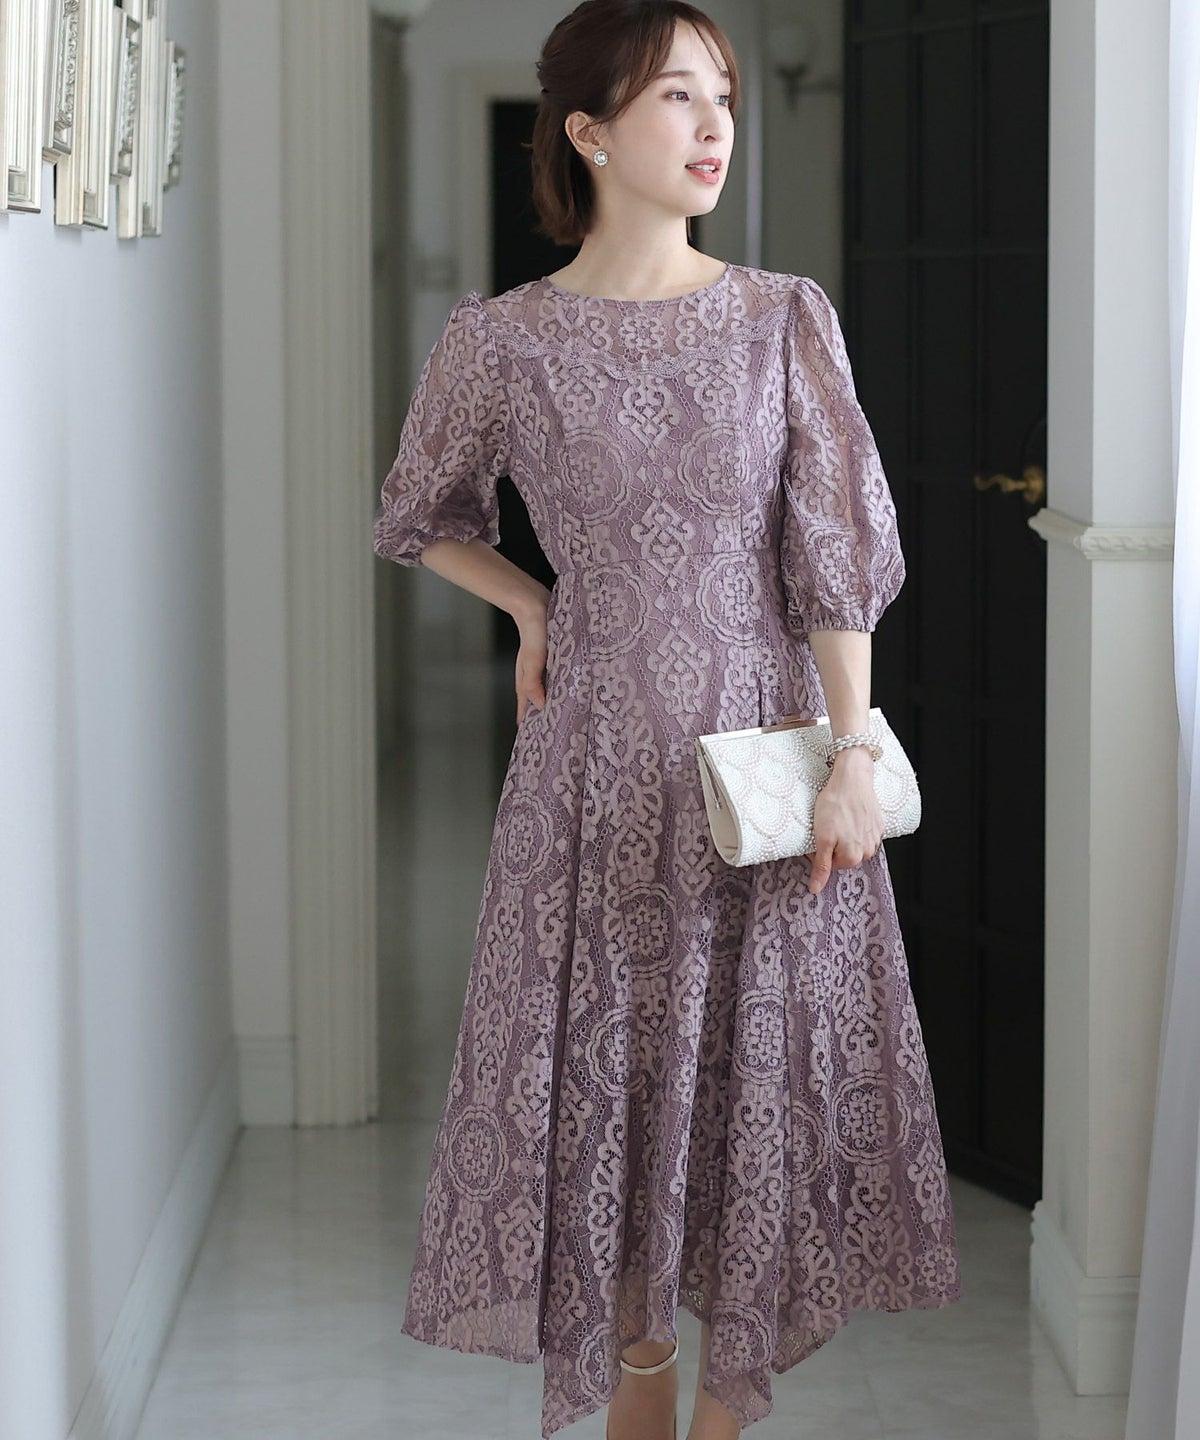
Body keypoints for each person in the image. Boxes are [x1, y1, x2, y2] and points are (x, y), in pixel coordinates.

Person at [372, 2, 962, 1437]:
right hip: (594, 778)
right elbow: (419, 514)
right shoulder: (502, 341)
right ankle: (640, 1378)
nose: (713, 128)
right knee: (613, 1082)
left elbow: (835, 563)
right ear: (588, 132)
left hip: (760, 771)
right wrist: (534, 604)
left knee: (752, 1084)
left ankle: (723, 1402)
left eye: (723, 99)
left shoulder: (780, 319)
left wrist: (852, 754)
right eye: (676, 98)